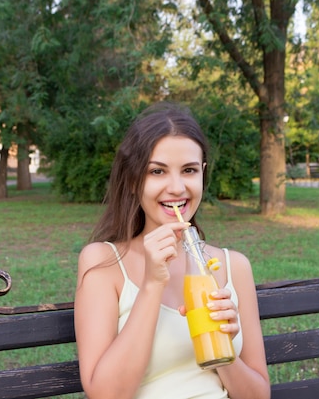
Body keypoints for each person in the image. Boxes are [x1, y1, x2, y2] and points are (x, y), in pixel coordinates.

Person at [74, 102, 270, 399]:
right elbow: (106, 394)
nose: (177, 187)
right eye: (157, 171)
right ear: (131, 180)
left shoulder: (233, 266)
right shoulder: (103, 262)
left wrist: (222, 347)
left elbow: (259, 395)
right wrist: (153, 284)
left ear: (203, 173)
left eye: (189, 170)